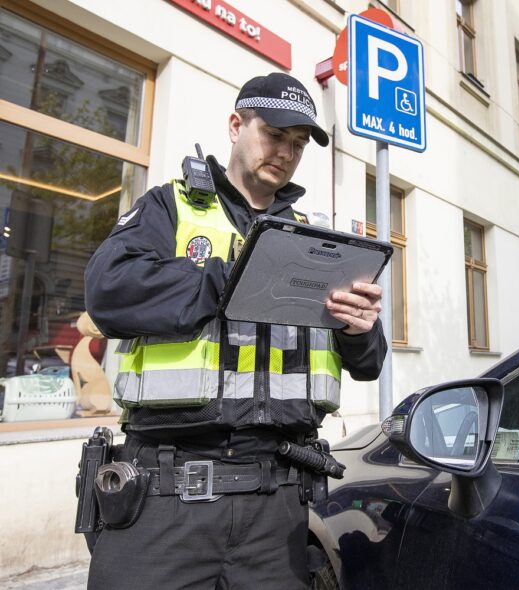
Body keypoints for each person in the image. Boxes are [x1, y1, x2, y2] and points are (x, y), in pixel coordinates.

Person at [83, 72, 386, 589]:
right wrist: (229, 277)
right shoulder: (170, 206)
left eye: (298, 144)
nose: (285, 152)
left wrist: (360, 329)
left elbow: (368, 364)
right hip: (166, 498)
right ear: (235, 126)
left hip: (277, 509)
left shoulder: (314, 240)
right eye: (274, 134)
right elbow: (108, 290)